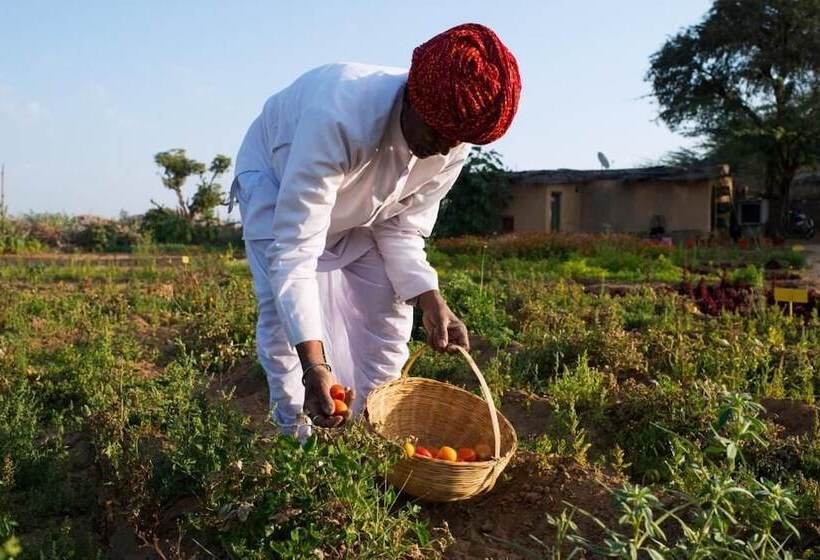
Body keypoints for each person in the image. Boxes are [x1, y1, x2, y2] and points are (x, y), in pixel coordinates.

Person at [230, 23, 521, 438]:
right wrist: (315, 365)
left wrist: (428, 295)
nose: (441, 148)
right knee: (282, 326)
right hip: (277, 187)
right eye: (436, 132)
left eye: (454, 141)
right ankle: (296, 439)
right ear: (412, 96)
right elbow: (295, 253)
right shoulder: (338, 117)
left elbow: (402, 229)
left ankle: (374, 430)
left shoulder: (452, 142)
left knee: (390, 314)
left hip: (364, 211)